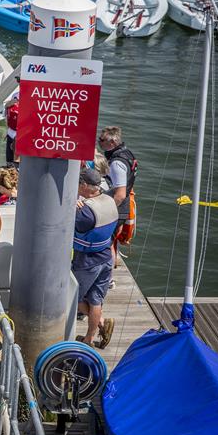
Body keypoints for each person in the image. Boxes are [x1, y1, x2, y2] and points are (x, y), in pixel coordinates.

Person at [73, 169, 117, 348]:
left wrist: (71, 207)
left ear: (84, 185)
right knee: (95, 299)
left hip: (87, 261)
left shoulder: (85, 213)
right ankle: (90, 338)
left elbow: (62, 222)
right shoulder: (109, 200)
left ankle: (101, 322)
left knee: (72, 296)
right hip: (106, 257)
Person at [99, 126, 138, 263]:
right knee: (111, 243)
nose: (99, 142)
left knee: (106, 244)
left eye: (102, 140)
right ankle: (110, 274)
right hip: (123, 205)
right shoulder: (127, 153)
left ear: (112, 142)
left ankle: (108, 280)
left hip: (117, 206)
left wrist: (104, 210)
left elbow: (120, 194)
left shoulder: (117, 163)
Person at [4, 89, 19, 166]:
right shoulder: (15, 95)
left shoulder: (33, 95)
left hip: (21, 135)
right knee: (9, 161)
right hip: (11, 132)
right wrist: (9, 104)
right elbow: (7, 112)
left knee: (17, 162)